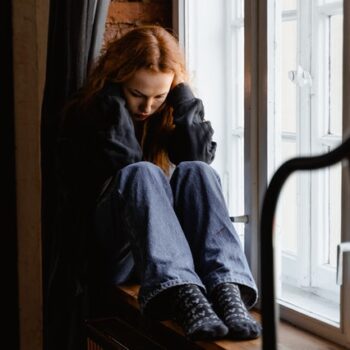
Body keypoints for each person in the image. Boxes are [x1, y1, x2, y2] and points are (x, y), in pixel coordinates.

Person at [56, 25, 261, 343]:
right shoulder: (88, 118)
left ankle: (226, 288)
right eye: (137, 94)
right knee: (142, 173)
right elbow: (126, 169)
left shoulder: (166, 113)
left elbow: (198, 159)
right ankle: (182, 294)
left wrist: (184, 101)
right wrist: (113, 108)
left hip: (164, 256)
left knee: (198, 171)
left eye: (160, 96)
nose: (147, 107)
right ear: (117, 80)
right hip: (116, 256)